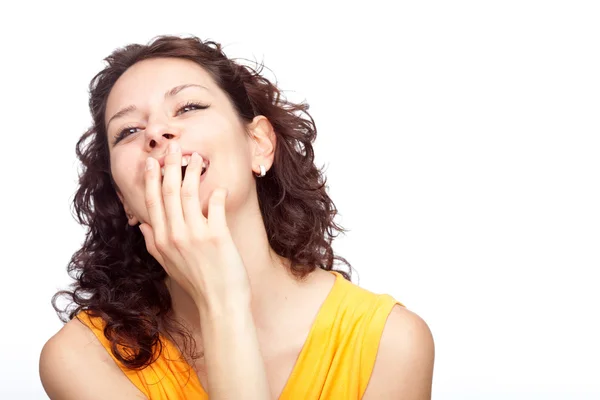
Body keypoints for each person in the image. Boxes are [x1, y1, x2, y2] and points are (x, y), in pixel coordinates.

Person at [39, 35, 435, 399]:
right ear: (124, 199)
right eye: (127, 131)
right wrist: (223, 301)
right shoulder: (82, 357)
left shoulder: (390, 342)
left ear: (258, 145)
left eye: (188, 107)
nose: (156, 133)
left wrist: (223, 301)